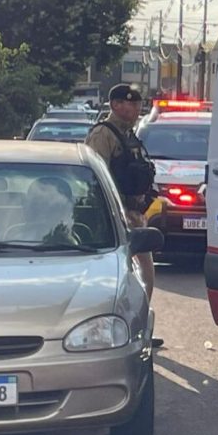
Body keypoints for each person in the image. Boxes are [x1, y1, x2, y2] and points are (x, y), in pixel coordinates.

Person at [85, 83, 161, 346]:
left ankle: (141, 327)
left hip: (133, 213)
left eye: (138, 103)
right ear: (116, 105)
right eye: (130, 103)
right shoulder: (103, 134)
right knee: (118, 278)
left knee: (146, 273)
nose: (136, 108)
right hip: (114, 215)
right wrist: (111, 211)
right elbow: (95, 177)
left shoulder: (130, 135)